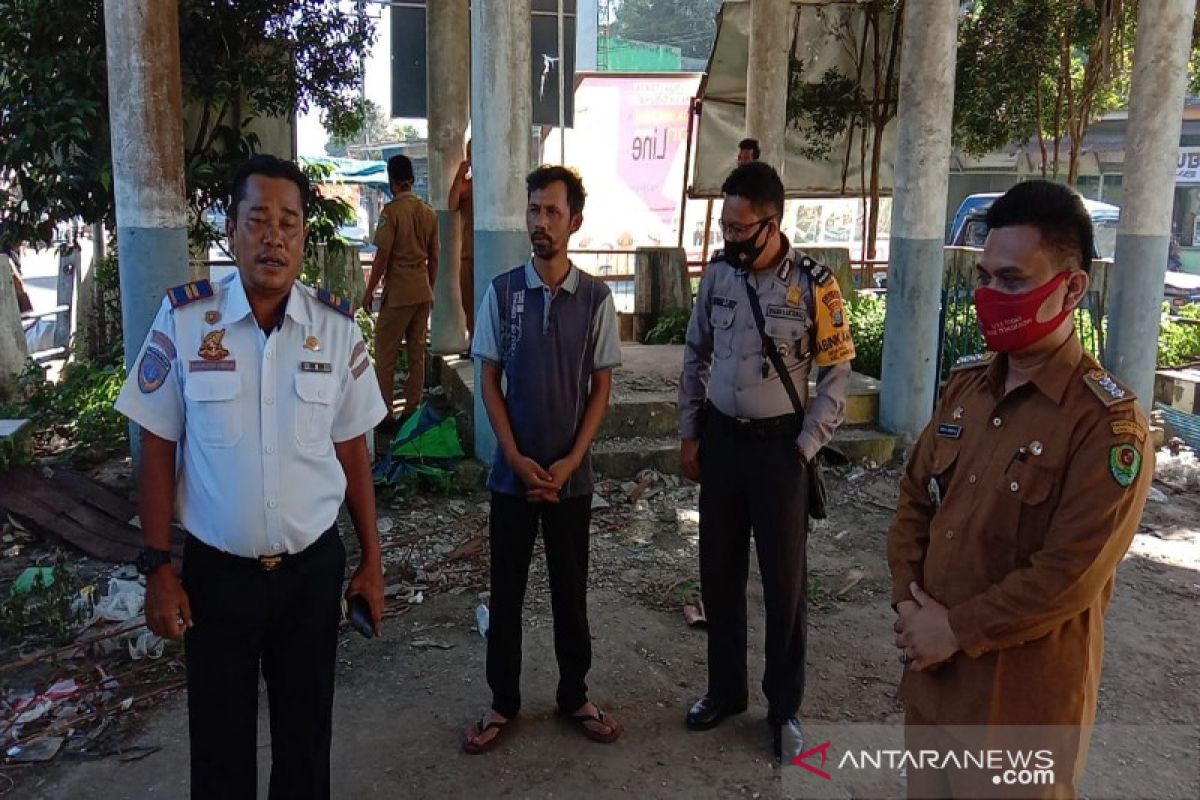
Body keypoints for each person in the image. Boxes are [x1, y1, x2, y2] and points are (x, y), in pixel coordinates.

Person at [115, 155, 387, 800]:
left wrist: (372, 561)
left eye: (289, 223)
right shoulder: (185, 322)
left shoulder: (336, 328)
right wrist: (159, 569)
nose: (274, 237)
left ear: (302, 237)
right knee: (219, 755)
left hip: (310, 575)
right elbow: (156, 447)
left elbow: (353, 452)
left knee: (304, 749)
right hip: (217, 578)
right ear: (230, 232)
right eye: (258, 220)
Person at [888, 180, 1153, 798]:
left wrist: (955, 629)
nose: (988, 296)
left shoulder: (1106, 425)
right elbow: (913, 501)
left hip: (1019, 712)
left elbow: (1070, 574)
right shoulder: (967, 387)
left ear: (1072, 287)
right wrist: (908, 603)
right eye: (984, 277)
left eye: (1011, 280)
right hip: (932, 687)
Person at [678, 161, 854, 761]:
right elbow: (694, 353)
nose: (727, 237)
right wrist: (690, 430)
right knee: (719, 576)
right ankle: (724, 691)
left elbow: (836, 375)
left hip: (782, 451)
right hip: (722, 443)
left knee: (785, 587)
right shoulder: (718, 277)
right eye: (724, 225)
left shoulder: (815, 285)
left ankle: (784, 710)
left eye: (738, 227)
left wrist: (805, 447)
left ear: (771, 223)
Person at [462, 165, 623, 754]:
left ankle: (573, 694)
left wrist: (571, 459)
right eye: (534, 210)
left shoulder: (598, 299)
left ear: (575, 221)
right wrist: (514, 456)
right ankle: (503, 701)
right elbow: (489, 380)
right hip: (512, 478)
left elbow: (601, 387)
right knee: (505, 594)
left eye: (552, 212)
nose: (540, 222)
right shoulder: (502, 293)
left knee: (569, 592)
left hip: (570, 480)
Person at [361, 154, 439, 424]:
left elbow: (382, 257)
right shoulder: (429, 213)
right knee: (417, 353)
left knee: (385, 352)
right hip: (421, 290)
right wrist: (431, 288)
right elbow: (435, 258)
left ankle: (384, 413)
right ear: (413, 180)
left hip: (399, 292)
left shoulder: (391, 213)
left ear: (392, 181)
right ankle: (411, 411)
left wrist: (369, 290)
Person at [448, 139, 475, 338]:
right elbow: (452, 205)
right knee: (468, 302)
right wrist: (459, 174)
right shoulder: (466, 185)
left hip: (484, 255)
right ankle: (473, 339)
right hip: (468, 254)